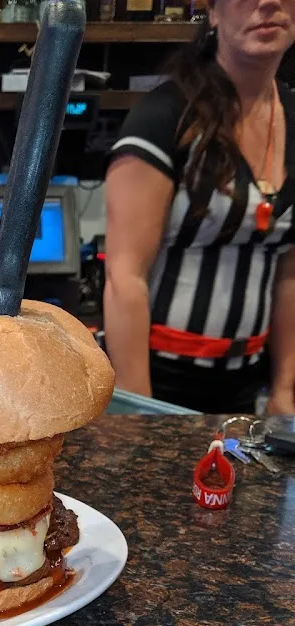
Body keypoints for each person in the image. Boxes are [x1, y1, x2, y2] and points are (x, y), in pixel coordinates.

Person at [104, 0, 295, 414]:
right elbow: (124, 277)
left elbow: (288, 273)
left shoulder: (292, 120)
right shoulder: (164, 118)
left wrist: (286, 390)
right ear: (212, 12)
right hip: (161, 383)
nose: (268, 3)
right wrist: (140, 415)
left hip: (249, 389)